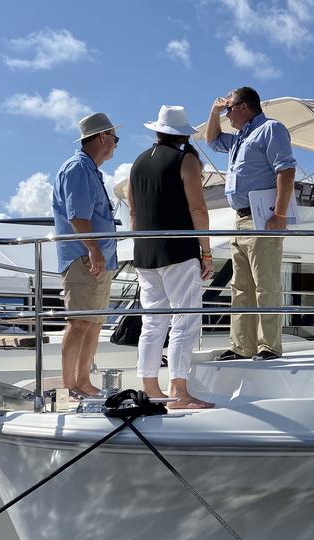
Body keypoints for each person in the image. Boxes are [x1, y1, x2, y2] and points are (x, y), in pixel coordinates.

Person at [129, 105, 215, 409]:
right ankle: (178, 390)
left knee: (153, 322)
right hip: (178, 251)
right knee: (185, 320)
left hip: (145, 253)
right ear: (181, 134)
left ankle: (150, 388)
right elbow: (198, 209)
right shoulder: (185, 159)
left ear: (157, 130)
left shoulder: (138, 163)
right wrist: (206, 251)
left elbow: (134, 212)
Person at [205, 87, 297, 361]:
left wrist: (279, 215)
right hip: (240, 219)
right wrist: (214, 112)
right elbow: (211, 141)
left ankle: (268, 346)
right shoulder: (239, 138)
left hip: (262, 219)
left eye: (229, 109)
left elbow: (286, 169)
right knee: (240, 286)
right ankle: (241, 346)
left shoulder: (271, 129)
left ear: (244, 107)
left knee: (265, 284)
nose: (227, 114)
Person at [52, 112, 121, 399]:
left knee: (93, 323)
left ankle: (82, 382)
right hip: (85, 257)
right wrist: (93, 250)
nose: (116, 146)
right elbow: (77, 216)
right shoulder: (78, 168)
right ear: (103, 136)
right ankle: (72, 385)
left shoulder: (89, 169)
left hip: (96, 258)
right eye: (115, 139)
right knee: (80, 321)